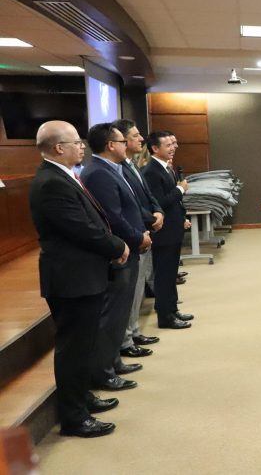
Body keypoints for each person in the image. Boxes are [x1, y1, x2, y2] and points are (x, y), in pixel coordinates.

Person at [29, 121, 128, 437]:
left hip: (83, 275)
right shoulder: (51, 183)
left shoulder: (63, 176)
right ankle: (74, 418)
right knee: (73, 348)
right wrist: (117, 246)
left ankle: (82, 398)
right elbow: (81, 229)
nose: (82, 146)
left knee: (84, 345)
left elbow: (90, 222)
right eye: (76, 142)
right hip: (72, 279)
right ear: (59, 148)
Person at [80, 124, 150, 391]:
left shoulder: (112, 169)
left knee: (120, 313)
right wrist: (137, 237)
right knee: (112, 315)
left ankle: (114, 361)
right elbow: (113, 217)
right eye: (122, 141)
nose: (127, 145)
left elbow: (129, 207)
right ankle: (104, 372)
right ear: (111, 145)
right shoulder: (99, 173)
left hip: (129, 246)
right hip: (120, 251)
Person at [111, 120, 164, 355]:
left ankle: (133, 331)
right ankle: (126, 339)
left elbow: (147, 195)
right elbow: (126, 206)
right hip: (133, 235)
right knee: (130, 291)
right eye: (135, 136)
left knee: (139, 286)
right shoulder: (117, 169)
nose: (141, 139)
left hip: (144, 230)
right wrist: (151, 218)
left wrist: (157, 211)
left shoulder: (131, 164)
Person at [141, 131, 193, 329]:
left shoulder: (166, 167)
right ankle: (165, 316)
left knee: (171, 273)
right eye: (169, 145)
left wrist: (182, 218)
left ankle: (172, 309)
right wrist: (180, 189)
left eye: (174, 143)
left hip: (173, 227)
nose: (174, 147)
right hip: (163, 232)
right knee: (164, 275)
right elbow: (159, 203)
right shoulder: (151, 171)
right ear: (155, 148)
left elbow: (172, 203)